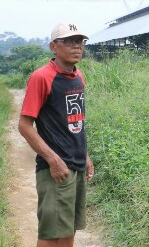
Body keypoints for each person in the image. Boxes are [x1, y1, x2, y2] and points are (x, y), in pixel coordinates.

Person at [18, 22, 95, 247]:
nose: (76, 46)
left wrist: (85, 156)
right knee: (51, 234)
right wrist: (53, 160)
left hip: (77, 165)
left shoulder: (78, 76)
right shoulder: (42, 77)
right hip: (56, 171)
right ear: (53, 46)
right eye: (69, 41)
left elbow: (76, 121)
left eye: (80, 41)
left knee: (69, 228)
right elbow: (24, 126)